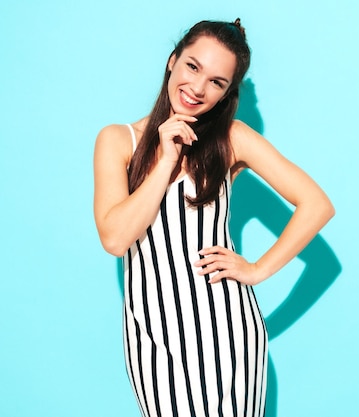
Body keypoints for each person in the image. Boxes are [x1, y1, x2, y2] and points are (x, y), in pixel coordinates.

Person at [93, 19, 334, 417]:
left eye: (217, 82)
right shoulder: (118, 141)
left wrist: (256, 269)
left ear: (226, 94)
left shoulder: (231, 139)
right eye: (192, 67)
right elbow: (116, 240)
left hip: (227, 330)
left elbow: (317, 204)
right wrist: (167, 159)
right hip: (152, 335)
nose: (199, 88)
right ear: (173, 61)